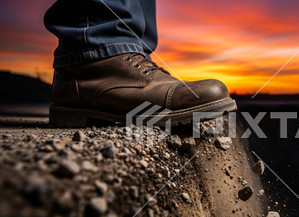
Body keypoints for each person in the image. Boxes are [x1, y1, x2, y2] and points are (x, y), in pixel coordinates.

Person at [44, 0, 236, 127]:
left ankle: (126, 46)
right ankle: (96, 50)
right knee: (109, 36)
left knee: (132, 40)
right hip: (89, 57)